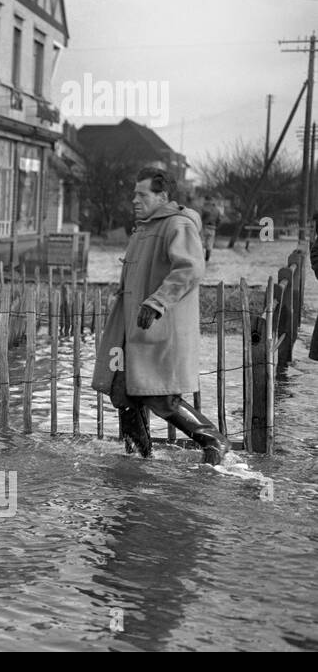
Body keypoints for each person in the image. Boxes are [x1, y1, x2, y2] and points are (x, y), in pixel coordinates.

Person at [91, 166, 227, 464]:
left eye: (142, 195)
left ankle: (212, 439)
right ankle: (137, 460)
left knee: (159, 395)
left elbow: (190, 268)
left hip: (159, 328)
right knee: (123, 390)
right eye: (134, 195)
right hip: (133, 329)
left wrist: (156, 302)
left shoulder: (177, 225)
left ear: (162, 196)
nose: (135, 201)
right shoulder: (145, 226)